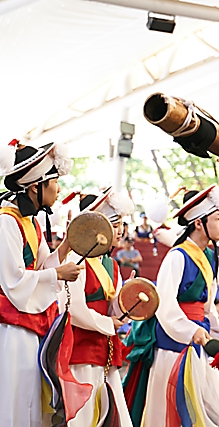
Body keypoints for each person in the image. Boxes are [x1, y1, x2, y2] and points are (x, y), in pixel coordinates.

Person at [124, 184, 219, 427]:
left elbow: (206, 308)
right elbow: (164, 303)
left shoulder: (211, 258)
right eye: (217, 218)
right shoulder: (177, 256)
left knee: (210, 407)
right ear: (198, 223)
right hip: (174, 343)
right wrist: (189, 330)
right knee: (169, 407)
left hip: (199, 337)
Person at [0, 139, 82, 426]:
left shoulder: (30, 221)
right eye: (55, 182)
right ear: (36, 186)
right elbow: (14, 282)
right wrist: (57, 274)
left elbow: (44, 265)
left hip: (31, 324)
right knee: (16, 399)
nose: (59, 189)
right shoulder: (6, 222)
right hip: (11, 328)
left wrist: (67, 246)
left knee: (31, 399)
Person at [56, 187, 135, 427]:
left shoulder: (111, 264)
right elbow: (74, 310)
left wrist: (127, 302)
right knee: (84, 414)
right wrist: (107, 323)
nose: (120, 230)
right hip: (80, 347)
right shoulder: (75, 258)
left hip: (105, 347)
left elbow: (115, 311)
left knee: (111, 412)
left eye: (121, 223)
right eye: (114, 223)